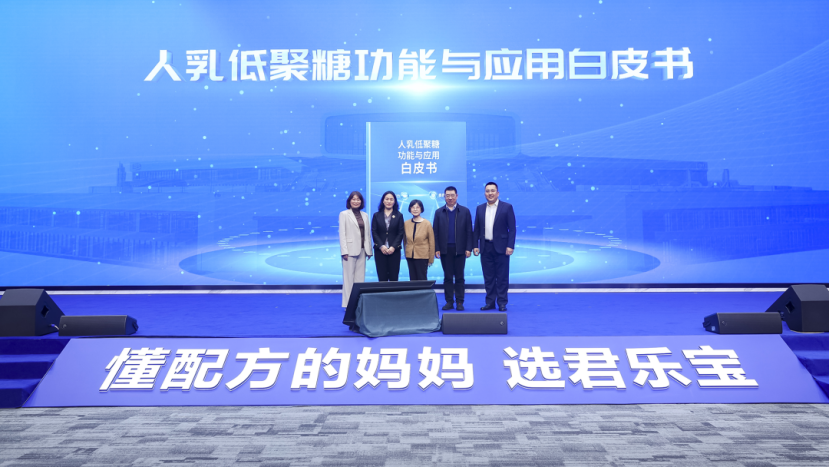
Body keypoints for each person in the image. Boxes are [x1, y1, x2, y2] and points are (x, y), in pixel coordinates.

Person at [473, 182, 516, 311]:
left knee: (502, 277)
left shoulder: (507, 207)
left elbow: (512, 229)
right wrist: (475, 245)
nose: (490, 193)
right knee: (489, 277)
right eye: (487, 191)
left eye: (492, 191)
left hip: (502, 248)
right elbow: (477, 229)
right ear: (484, 193)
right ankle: (490, 302)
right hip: (485, 247)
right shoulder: (480, 208)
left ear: (497, 193)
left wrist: (510, 246)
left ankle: (502, 302)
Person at [432, 186, 473, 311]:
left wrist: (469, 248)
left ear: (457, 196)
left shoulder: (465, 211)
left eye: (452, 195)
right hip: (445, 250)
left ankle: (460, 302)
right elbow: (435, 232)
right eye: (447, 195)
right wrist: (436, 248)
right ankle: (449, 301)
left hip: (460, 249)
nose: (450, 198)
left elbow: (469, 231)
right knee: (448, 277)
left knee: (460, 277)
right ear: (444, 196)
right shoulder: (439, 212)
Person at [339, 191, 372, 307]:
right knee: (348, 279)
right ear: (349, 201)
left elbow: (367, 234)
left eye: (358, 199)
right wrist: (344, 251)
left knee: (360, 279)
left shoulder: (365, 215)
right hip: (349, 251)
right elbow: (342, 234)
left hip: (362, 250)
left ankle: (358, 303)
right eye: (353, 199)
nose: (356, 201)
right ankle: (348, 305)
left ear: (361, 202)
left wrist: (369, 250)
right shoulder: (344, 214)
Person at [371, 191, 404, 281]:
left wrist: (393, 247)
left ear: (394, 201)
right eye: (387, 199)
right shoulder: (376, 215)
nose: (389, 201)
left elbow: (400, 233)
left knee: (394, 277)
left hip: (394, 251)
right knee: (382, 278)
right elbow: (374, 232)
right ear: (383, 201)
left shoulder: (399, 215)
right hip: (380, 251)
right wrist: (381, 246)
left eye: (391, 199)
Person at [403, 199, 435, 281]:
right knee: (412, 279)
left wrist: (431, 259)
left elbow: (431, 242)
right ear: (410, 209)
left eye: (417, 207)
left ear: (421, 209)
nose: (415, 209)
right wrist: (406, 253)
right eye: (413, 207)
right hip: (410, 256)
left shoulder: (427, 223)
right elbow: (405, 241)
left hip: (423, 256)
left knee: (422, 279)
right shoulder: (406, 223)